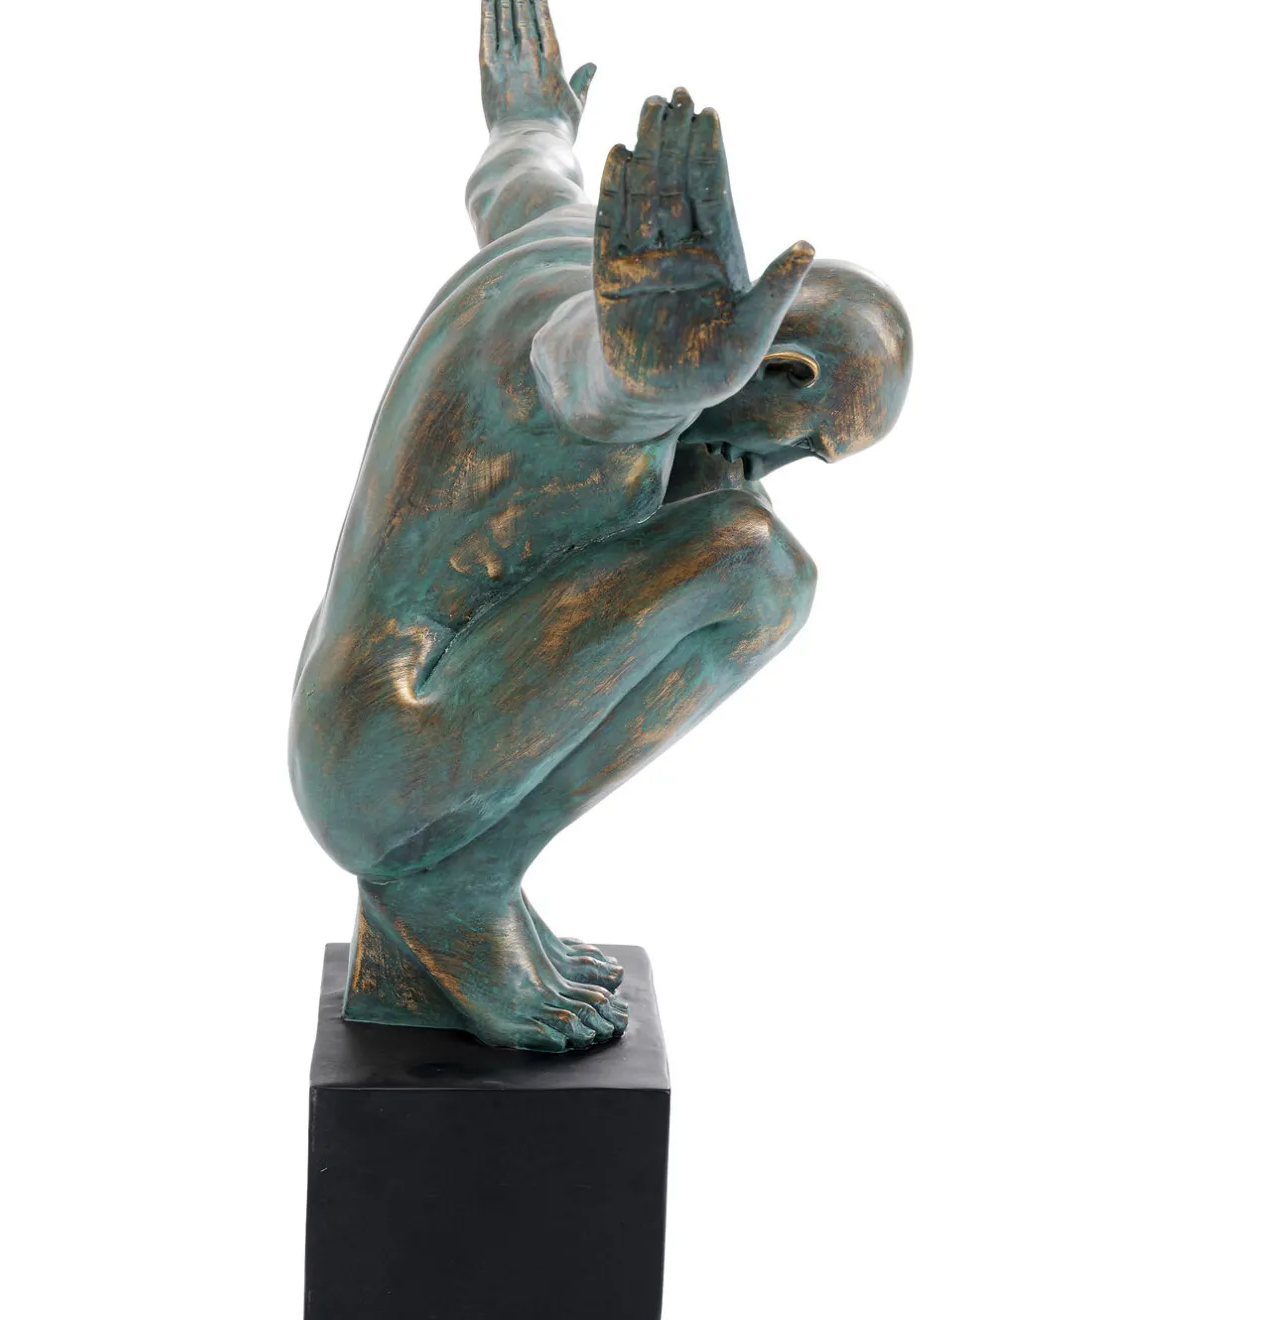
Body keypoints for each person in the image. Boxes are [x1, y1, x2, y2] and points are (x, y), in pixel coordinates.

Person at [290, 0, 912, 1050]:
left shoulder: (562, 242)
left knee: (733, 526)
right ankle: (453, 896)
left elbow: (518, 176)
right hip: (391, 758)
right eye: (811, 441)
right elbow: (578, 378)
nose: (783, 464)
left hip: (364, 729)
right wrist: (648, 375)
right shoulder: (616, 372)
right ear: (785, 370)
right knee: (758, 563)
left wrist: (529, 121)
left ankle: (455, 903)